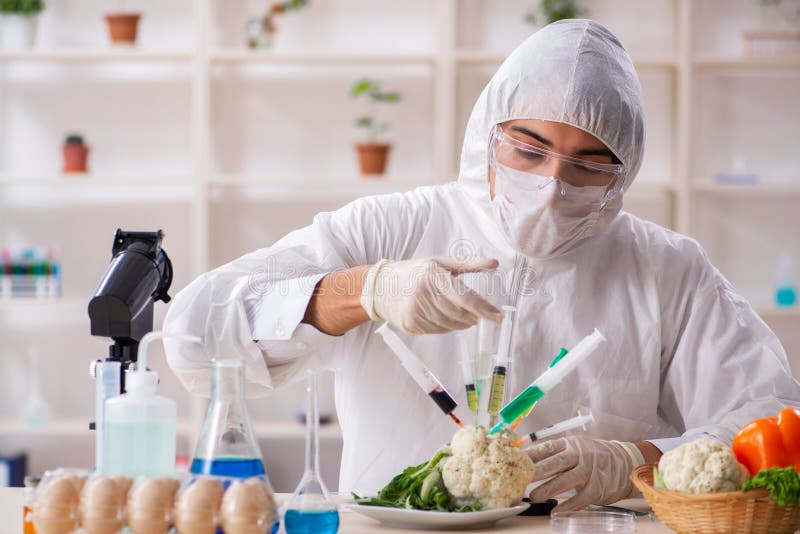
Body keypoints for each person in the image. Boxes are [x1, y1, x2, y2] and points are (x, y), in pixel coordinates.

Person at [163, 20, 800, 511]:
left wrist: (632, 460)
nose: (553, 185)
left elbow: (774, 420)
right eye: (530, 148)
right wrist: (365, 290)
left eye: (587, 165)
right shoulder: (390, 228)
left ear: (622, 174)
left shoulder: (668, 269)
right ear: (487, 136)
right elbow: (195, 336)